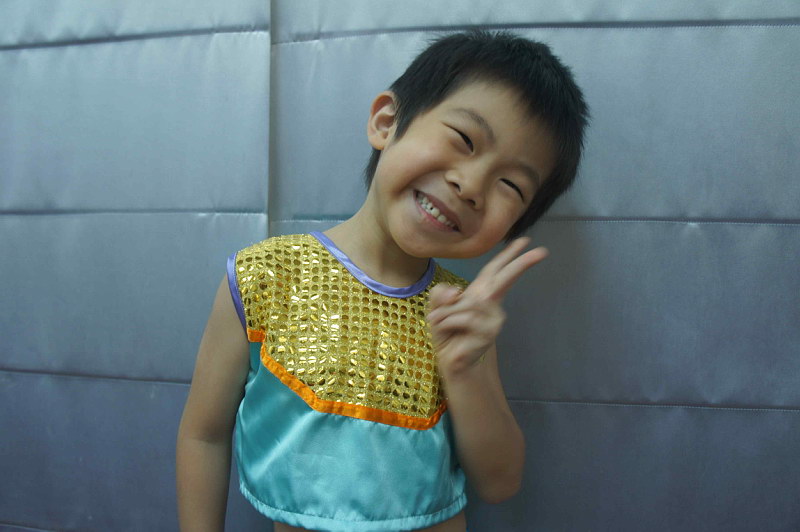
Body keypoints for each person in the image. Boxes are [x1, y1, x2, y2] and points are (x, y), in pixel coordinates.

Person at [177, 29, 588, 532]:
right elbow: (203, 436)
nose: (470, 186)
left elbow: (500, 483)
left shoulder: (461, 313)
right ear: (386, 122)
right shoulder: (263, 277)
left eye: (510, 185)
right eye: (464, 140)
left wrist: (467, 370)